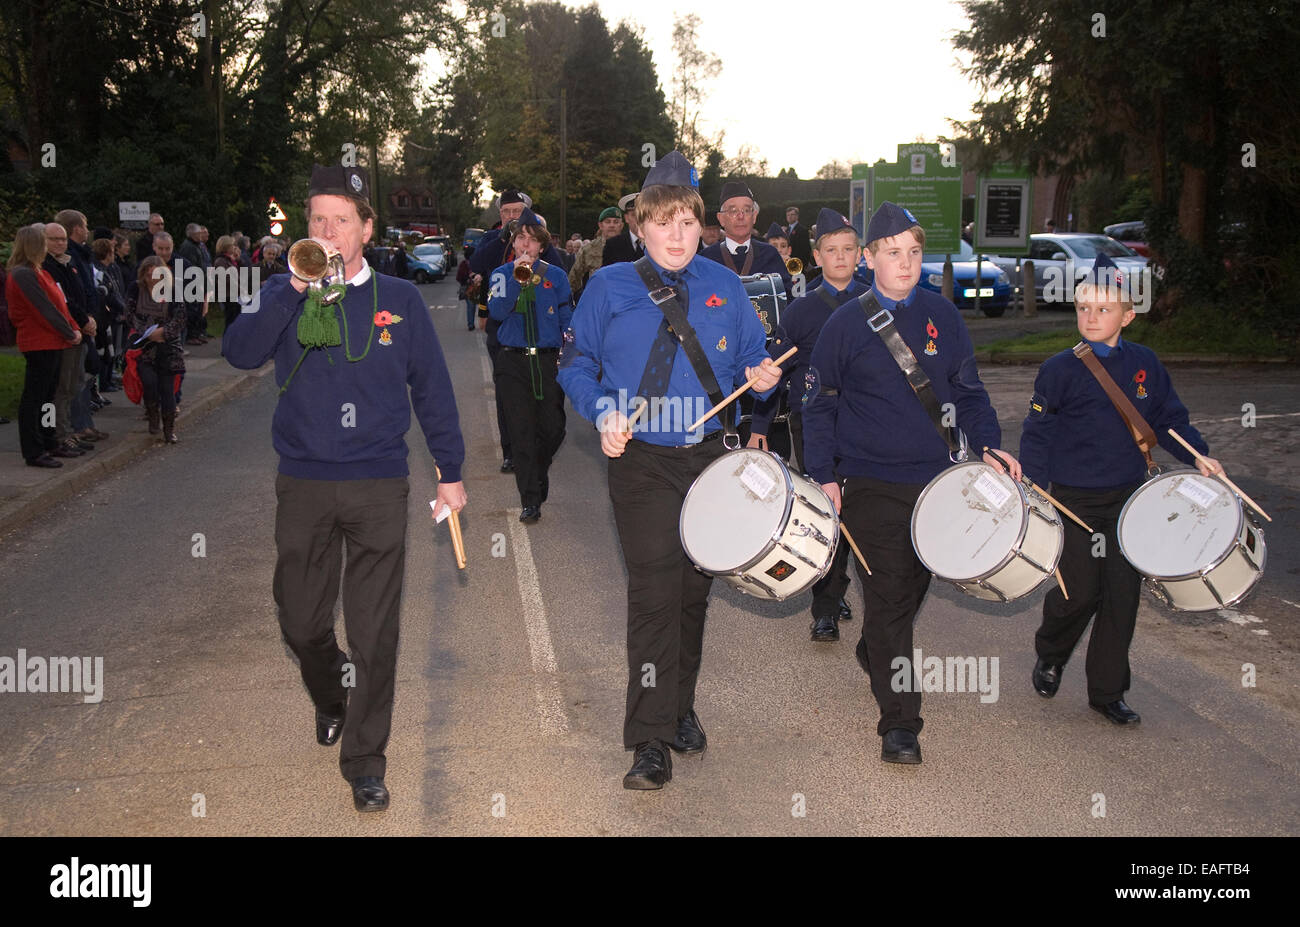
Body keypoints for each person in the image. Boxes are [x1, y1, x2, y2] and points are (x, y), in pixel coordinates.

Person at [223, 164, 466, 813]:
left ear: (365, 228)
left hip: (380, 481)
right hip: (303, 479)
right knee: (302, 620)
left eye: (339, 219)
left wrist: (451, 471)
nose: (326, 230)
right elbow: (239, 352)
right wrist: (293, 285)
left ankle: (365, 759)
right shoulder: (283, 289)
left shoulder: (401, 299)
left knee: (374, 629)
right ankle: (331, 697)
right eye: (316, 219)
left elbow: (433, 390)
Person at [557, 151, 781, 790]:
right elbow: (574, 365)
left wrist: (761, 379)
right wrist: (603, 412)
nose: (676, 236)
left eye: (686, 222)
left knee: (692, 593)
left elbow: (751, 361)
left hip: (710, 459)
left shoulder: (725, 284)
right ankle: (649, 738)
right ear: (641, 227)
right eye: (663, 224)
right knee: (655, 593)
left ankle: (680, 706)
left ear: (700, 224)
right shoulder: (608, 286)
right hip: (643, 462)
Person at [802, 202, 1021, 766]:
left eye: (914, 252)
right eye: (893, 253)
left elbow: (968, 391)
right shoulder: (843, 324)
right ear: (869, 258)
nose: (905, 264)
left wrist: (990, 442)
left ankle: (876, 646)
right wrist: (825, 476)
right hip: (869, 481)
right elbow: (818, 404)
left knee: (915, 584)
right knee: (893, 592)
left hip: (938, 479)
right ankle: (900, 723)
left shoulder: (943, 316)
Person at [1018, 252, 1219, 725]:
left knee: (1121, 597)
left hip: (1130, 498)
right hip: (1073, 497)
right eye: (1084, 308)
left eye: (1104, 310)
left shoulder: (1146, 363)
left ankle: (1107, 692)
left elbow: (1171, 421)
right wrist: (1031, 485)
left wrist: (1199, 456)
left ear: (1127, 316)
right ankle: (1051, 651)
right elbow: (1037, 431)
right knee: (1079, 592)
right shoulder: (1058, 370)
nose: (1091, 317)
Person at [749, 208, 865, 641]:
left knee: (863, 509)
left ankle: (843, 587)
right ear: (816, 255)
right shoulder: (800, 311)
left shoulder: (875, 302)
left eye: (848, 250)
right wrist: (760, 426)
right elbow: (774, 372)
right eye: (831, 250)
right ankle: (827, 604)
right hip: (812, 420)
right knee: (828, 507)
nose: (840, 257)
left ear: (860, 255)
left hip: (867, 423)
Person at [487, 209, 573, 523]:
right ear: (514, 244)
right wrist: (515, 276)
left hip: (547, 358)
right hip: (512, 360)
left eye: (531, 240)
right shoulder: (500, 274)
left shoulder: (556, 275)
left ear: (541, 245)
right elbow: (497, 311)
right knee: (521, 430)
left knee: (553, 428)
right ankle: (530, 498)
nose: (525, 244)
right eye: (520, 238)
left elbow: (567, 318)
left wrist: (572, 352)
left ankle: (537, 470)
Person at [470, 189, 563, 473]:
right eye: (506, 212)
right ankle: (511, 450)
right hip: (503, 329)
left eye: (516, 211)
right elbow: (474, 264)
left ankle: (533, 444)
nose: (511, 216)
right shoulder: (493, 239)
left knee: (541, 395)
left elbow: (557, 270)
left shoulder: (536, 239)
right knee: (507, 395)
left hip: (537, 331)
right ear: (499, 216)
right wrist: (503, 239)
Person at [5, 224, 83, 468]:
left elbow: (59, 304)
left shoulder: (38, 272)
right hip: (38, 342)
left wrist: (72, 327)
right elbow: (44, 310)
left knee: (48, 396)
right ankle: (33, 448)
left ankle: (49, 440)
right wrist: (68, 331)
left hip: (52, 341)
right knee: (35, 398)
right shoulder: (23, 274)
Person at [42, 221, 99, 455]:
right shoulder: (47, 267)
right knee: (61, 388)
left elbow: (82, 293)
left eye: (63, 239)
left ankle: (69, 432)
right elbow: (63, 301)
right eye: (54, 239)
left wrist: (89, 318)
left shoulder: (68, 263)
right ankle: (58, 435)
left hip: (79, 330)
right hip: (65, 335)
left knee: (74, 385)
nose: (60, 243)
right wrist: (83, 321)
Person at [128, 257, 186, 443]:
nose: (152, 279)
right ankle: (152, 413)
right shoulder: (136, 289)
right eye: (149, 274)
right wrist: (146, 331)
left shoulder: (173, 289)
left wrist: (165, 332)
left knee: (167, 388)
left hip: (168, 346)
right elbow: (129, 313)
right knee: (149, 382)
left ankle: (169, 429)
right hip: (145, 346)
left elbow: (181, 315)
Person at [700, 181, 792, 294]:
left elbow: (792, 297)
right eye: (733, 211)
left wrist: (798, 277)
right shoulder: (706, 260)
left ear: (754, 217)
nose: (740, 216)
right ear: (721, 218)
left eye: (747, 210)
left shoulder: (770, 255)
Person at [569, 206, 622, 297]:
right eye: (608, 222)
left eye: (616, 222)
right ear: (600, 225)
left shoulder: (630, 246)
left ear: (621, 225)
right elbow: (575, 276)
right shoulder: (589, 249)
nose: (612, 225)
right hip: (597, 298)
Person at [599, 193, 643, 266]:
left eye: (642, 215)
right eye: (634, 215)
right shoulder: (613, 245)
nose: (638, 219)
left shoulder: (657, 242)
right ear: (626, 218)